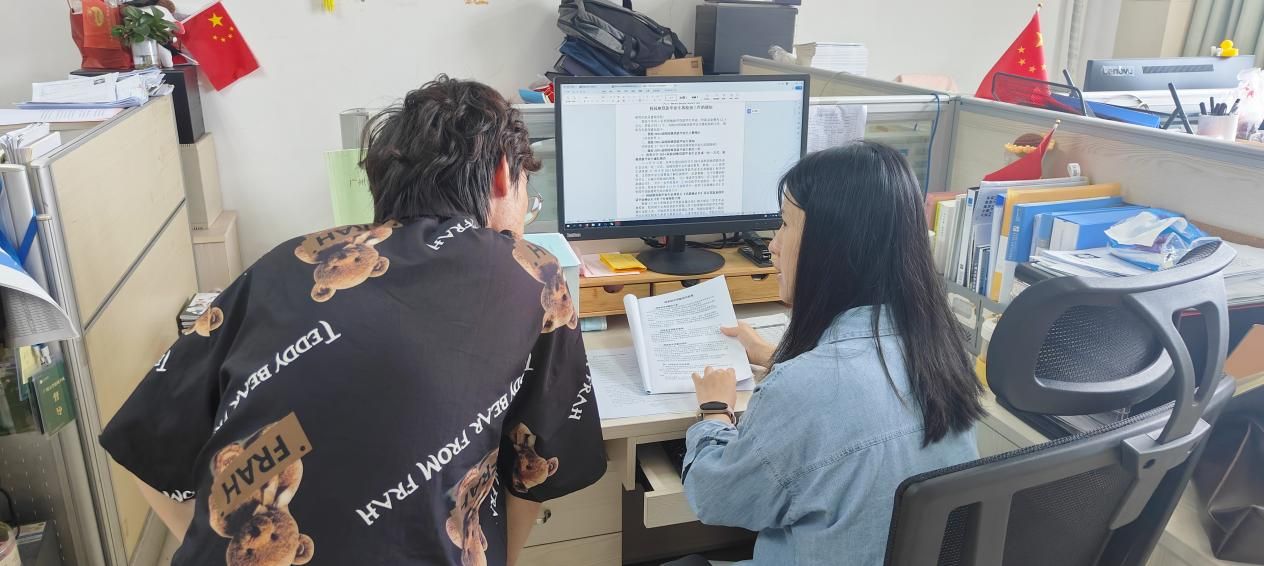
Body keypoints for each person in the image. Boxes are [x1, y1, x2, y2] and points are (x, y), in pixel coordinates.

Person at [99, 76, 606, 566]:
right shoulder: (532, 273)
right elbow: (537, 473)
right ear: (502, 174)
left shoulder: (280, 264)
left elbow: (140, 443)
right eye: (527, 193)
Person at [679, 142, 985, 565]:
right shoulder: (942, 352)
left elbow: (717, 499)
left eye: (785, 225)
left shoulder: (803, 388)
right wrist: (777, 357)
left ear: (830, 246)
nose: (773, 245)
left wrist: (714, 413)